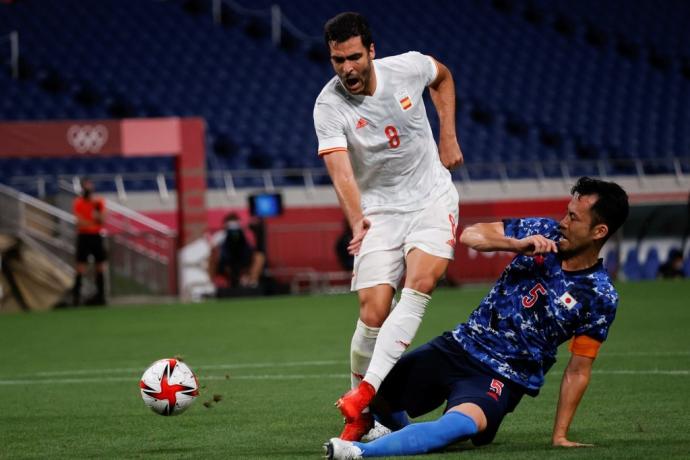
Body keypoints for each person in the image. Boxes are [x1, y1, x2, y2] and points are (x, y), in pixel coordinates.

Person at [324, 177, 630, 458]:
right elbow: (471, 235)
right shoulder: (540, 231)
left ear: (599, 231)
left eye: (574, 218)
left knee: (459, 426)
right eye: (566, 212)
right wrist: (515, 244)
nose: (563, 222)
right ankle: (398, 433)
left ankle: (359, 452)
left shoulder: (599, 296)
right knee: (373, 397)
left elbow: (578, 371)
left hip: (501, 376)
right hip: (458, 346)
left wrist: (560, 435)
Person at [313, 12, 464, 440]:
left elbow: (443, 76)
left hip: (431, 198)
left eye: (354, 57)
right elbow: (341, 172)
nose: (347, 69)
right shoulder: (328, 106)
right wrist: (356, 220)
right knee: (373, 310)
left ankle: (361, 399)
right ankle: (371, 410)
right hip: (378, 210)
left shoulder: (408, 67)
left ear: (372, 51)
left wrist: (447, 134)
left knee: (420, 283)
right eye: (337, 60)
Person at [72, 177, 107, 306]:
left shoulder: (98, 202)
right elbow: (80, 222)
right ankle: (76, 297)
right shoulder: (78, 202)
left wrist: (96, 216)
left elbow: (102, 219)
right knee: (80, 266)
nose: (88, 188)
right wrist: (93, 222)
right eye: (85, 186)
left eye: (89, 185)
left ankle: (101, 296)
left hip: (96, 236)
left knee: (100, 266)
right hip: (84, 236)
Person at [216, 213, 262, 288]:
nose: (233, 228)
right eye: (231, 225)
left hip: (243, 259)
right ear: (225, 225)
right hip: (227, 261)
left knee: (259, 257)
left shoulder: (247, 234)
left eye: (235, 225)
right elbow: (214, 251)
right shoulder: (220, 235)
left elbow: (252, 248)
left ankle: (252, 283)